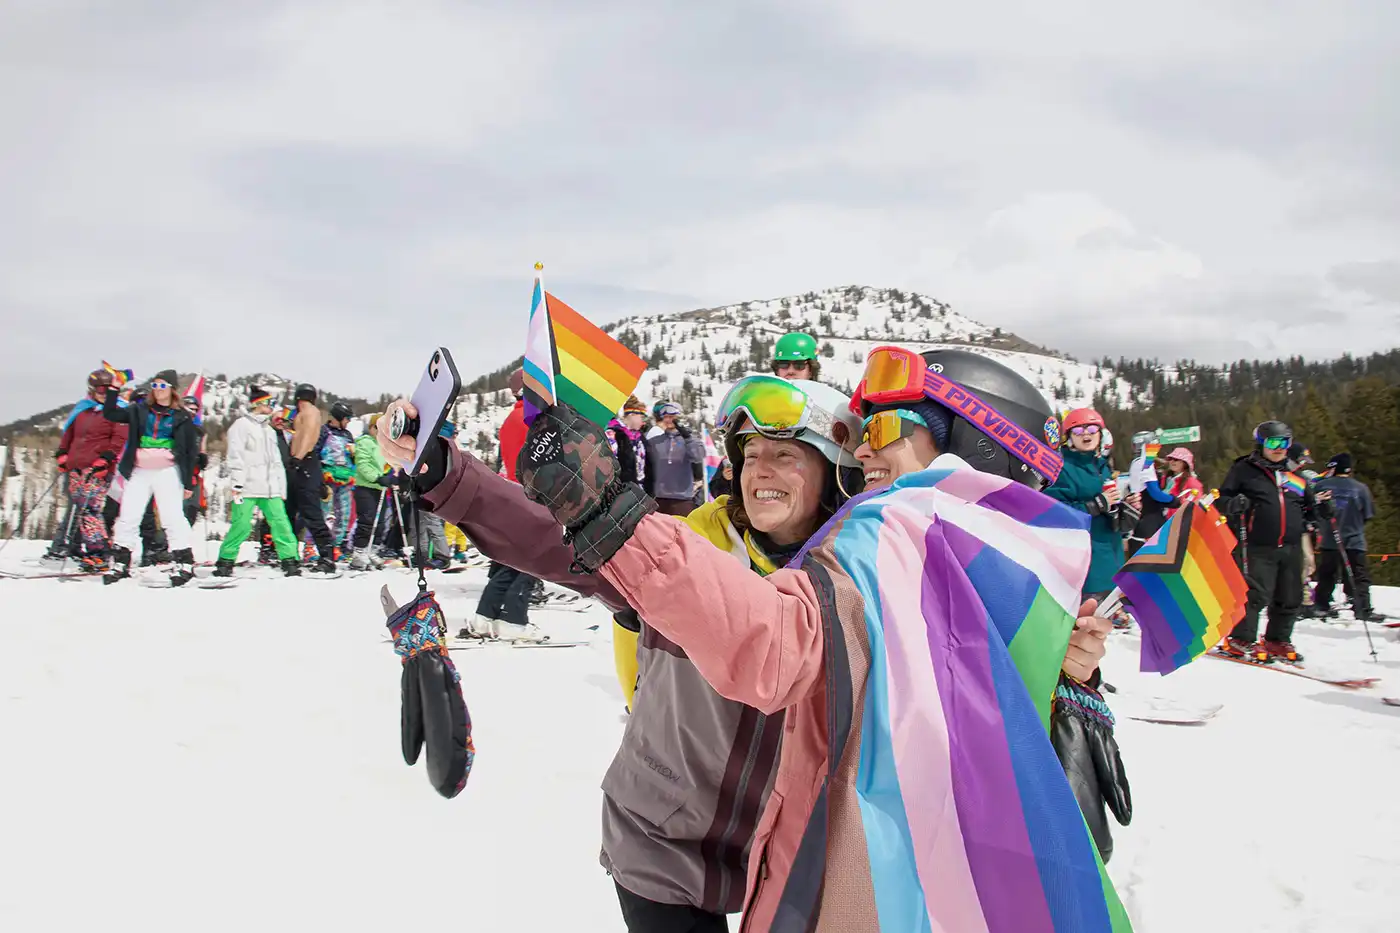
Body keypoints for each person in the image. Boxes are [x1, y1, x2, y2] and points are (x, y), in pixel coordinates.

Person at [376, 363, 1112, 931]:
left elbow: (956, 701)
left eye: (788, 453)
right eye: (750, 451)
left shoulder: (866, 572)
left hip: (787, 859)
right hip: (665, 841)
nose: (762, 468)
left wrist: (1067, 676)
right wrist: (447, 473)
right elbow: (545, 534)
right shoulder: (684, 544)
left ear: (834, 469)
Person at [1219, 421, 1326, 662]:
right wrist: (1233, 504)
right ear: (1262, 443)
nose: (1279, 448)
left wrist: (1317, 517)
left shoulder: (1296, 476)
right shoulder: (1244, 470)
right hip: (1257, 544)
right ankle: (1240, 639)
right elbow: (1222, 498)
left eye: (1284, 443)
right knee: (1254, 594)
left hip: (1291, 545)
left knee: (1290, 595)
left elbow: (1309, 507)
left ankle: (1277, 640)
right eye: (1273, 443)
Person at [465, 369, 545, 642]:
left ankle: (485, 615)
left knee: (510, 562)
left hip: (515, 495)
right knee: (532, 561)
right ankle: (513, 619)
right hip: (538, 498)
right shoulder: (536, 421)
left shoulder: (512, 420)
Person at [100, 370, 201, 585]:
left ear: (172, 389)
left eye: (162, 385)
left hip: (167, 471)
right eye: (154, 385)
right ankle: (120, 561)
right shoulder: (139, 410)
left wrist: (188, 481)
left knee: (172, 516)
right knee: (129, 514)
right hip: (140, 470)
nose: (157, 390)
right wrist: (113, 389)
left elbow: (190, 451)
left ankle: (183, 561)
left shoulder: (182, 416)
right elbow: (110, 414)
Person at [216, 386, 301, 577]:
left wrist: (281, 488)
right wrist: (237, 484)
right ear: (259, 404)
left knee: (281, 523)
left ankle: (290, 560)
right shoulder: (240, 426)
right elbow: (235, 456)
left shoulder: (269, 430)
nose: (272, 407)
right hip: (246, 487)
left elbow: (277, 461)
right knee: (242, 524)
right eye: (269, 403)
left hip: (270, 488)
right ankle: (226, 560)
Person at [1045, 407, 1127, 599]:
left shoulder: (1102, 466)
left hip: (1110, 558)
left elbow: (1108, 503)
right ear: (1069, 438)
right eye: (1078, 431)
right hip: (1086, 567)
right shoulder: (1062, 468)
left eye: (1091, 430)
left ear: (1101, 435)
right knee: (1088, 623)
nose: (1086, 435)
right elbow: (1055, 513)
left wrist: (1125, 507)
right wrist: (1097, 504)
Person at [54, 369, 130, 572]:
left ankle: (100, 552)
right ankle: (77, 549)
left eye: (107, 389)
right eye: (99, 389)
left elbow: (119, 439)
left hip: (98, 468)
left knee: (90, 509)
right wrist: (62, 453)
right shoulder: (83, 410)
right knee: (80, 509)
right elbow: (70, 433)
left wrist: (106, 459)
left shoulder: (118, 411)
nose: (103, 393)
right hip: (76, 465)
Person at [1313, 452, 1379, 622]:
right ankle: (1362, 608)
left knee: (1327, 575)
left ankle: (1321, 605)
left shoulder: (1321, 486)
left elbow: (1312, 510)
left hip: (1329, 539)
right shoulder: (1361, 488)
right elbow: (1368, 514)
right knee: (1359, 575)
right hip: (1355, 539)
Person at [286, 383, 337, 575]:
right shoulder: (301, 414)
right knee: (290, 510)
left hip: (305, 463)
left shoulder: (310, 412)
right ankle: (288, 553)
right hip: (299, 463)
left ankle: (327, 556)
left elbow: (309, 437)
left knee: (311, 512)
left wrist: (298, 457)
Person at [1126, 447, 1204, 557]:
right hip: (1163, 524)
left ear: (1185, 463)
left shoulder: (1192, 483)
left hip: (1179, 525)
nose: (1172, 462)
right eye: (1170, 459)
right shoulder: (1165, 478)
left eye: (1176, 460)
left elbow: (1196, 506)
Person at [349, 413, 398, 570]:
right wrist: (377, 477)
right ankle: (359, 552)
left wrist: (391, 476)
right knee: (367, 520)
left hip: (380, 488)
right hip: (366, 487)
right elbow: (363, 465)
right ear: (371, 427)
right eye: (377, 428)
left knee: (381, 522)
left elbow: (389, 464)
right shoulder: (364, 443)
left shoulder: (384, 445)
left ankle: (372, 549)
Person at [642, 402, 704, 516]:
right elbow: (647, 469)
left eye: (672, 417)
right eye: (666, 417)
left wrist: (687, 437)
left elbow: (698, 456)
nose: (669, 420)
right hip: (658, 499)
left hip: (683, 500)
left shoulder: (691, 441)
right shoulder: (654, 442)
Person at [320, 401, 358, 560]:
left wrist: (354, 454)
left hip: (345, 478)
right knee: (322, 513)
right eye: (347, 418)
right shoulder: (323, 431)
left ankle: (335, 546)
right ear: (339, 417)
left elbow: (354, 458)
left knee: (344, 514)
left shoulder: (348, 435)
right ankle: (316, 546)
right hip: (327, 477)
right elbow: (316, 452)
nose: (348, 422)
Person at [606, 396, 648, 486]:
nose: (643, 422)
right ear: (632, 415)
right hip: (622, 490)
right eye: (641, 417)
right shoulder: (613, 435)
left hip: (638, 490)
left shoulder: (639, 437)